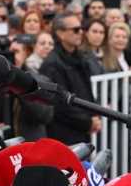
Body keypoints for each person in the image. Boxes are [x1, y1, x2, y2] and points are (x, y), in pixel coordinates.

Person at [39, 13, 101, 145]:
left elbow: (86, 91)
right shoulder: (52, 64)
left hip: (81, 130)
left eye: (81, 29)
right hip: (63, 135)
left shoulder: (80, 58)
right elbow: (59, 105)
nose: (81, 33)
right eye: (76, 30)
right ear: (60, 33)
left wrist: (94, 115)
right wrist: (88, 122)